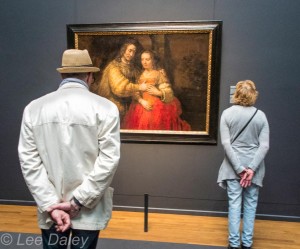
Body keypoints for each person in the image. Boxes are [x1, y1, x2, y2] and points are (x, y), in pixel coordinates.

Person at [18, 49, 120, 249]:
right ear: (90, 76)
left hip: (52, 208)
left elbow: (29, 162)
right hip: (88, 208)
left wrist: (51, 205)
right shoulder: (106, 108)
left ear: (62, 74)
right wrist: (78, 201)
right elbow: (109, 161)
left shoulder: (34, 108)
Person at [217, 80, 270, 249]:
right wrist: (250, 169)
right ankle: (247, 243)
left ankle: (233, 244)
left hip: (233, 169)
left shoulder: (227, 114)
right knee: (250, 204)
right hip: (254, 170)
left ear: (237, 94)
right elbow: (264, 146)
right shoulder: (260, 116)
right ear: (253, 94)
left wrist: (240, 169)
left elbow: (226, 144)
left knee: (234, 205)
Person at [121, 50, 191, 131]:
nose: (144, 62)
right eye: (142, 59)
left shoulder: (158, 74)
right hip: (141, 105)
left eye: (147, 59)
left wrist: (158, 92)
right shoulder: (139, 75)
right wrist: (141, 101)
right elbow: (135, 91)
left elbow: (169, 91)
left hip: (156, 106)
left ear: (153, 60)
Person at [97, 38, 147, 122]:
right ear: (123, 50)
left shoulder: (133, 67)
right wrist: (139, 87)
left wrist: (155, 72)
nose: (131, 54)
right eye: (129, 51)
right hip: (113, 105)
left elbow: (142, 79)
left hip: (129, 105)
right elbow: (120, 88)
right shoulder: (114, 67)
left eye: (133, 52)